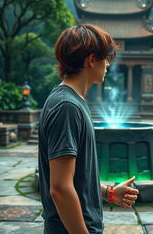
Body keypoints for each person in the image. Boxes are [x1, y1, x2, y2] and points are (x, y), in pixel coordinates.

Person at [38, 24, 139, 234]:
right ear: (92, 60)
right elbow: (60, 188)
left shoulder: (73, 101)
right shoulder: (66, 106)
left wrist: (108, 193)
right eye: (106, 58)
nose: (108, 64)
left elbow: (76, 177)